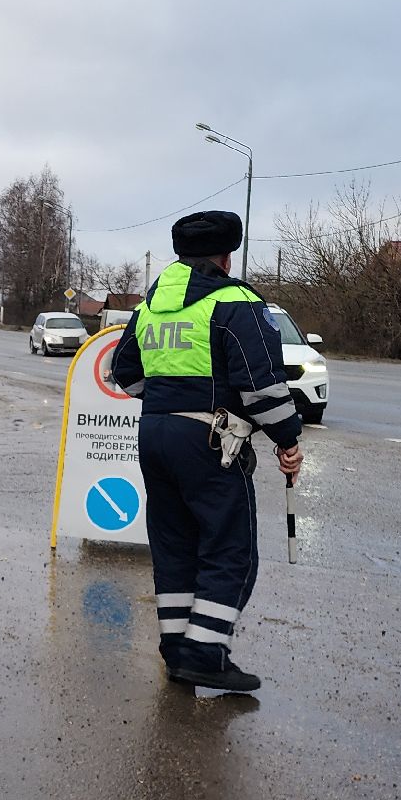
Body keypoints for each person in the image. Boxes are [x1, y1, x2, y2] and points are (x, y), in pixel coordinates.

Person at [109, 211, 303, 693]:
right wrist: (287, 438)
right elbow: (262, 387)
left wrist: (169, 401)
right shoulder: (236, 302)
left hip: (154, 435)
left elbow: (125, 373)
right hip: (210, 441)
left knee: (174, 546)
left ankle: (177, 652)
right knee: (230, 548)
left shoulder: (151, 305)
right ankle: (205, 653)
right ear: (226, 255)